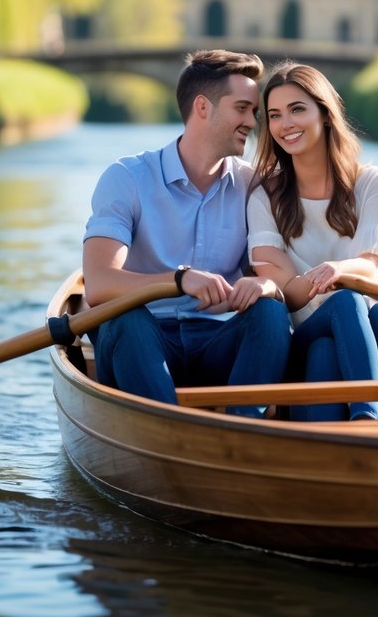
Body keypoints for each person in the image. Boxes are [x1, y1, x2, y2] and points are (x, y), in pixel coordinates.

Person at [82, 49, 291, 417]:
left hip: (216, 342)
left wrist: (265, 286)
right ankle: (170, 436)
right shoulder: (126, 178)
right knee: (127, 319)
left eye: (255, 112)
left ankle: (241, 436)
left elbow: (274, 274)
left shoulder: (253, 187)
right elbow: (98, 285)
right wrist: (179, 280)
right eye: (242, 108)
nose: (252, 122)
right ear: (203, 107)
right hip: (141, 344)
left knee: (270, 314)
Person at [247, 61, 378, 421]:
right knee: (322, 348)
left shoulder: (374, 184)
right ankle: (363, 423)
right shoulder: (264, 197)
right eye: (274, 115)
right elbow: (285, 291)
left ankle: (362, 418)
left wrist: (336, 271)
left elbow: (370, 264)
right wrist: (323, 285)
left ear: (325, 114)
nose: (285, 124)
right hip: (309, 334)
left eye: (297, 109)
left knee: (351, 301)